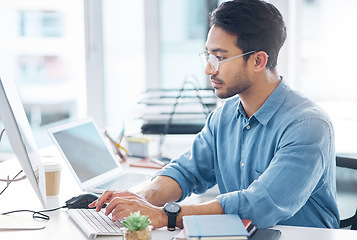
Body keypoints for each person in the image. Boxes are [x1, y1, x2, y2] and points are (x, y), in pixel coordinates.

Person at [89, 0, 340, 229]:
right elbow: (186, 172)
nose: (209, 68)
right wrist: (141, 197)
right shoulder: (225, 117)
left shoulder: (307, 125)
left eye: (219, 57)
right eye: (208, 55)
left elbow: (259, 206)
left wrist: (166, 215)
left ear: (258, 61)